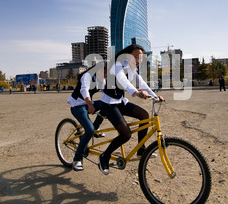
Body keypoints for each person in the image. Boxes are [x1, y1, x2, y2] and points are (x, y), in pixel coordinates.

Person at [98, 44, 164, 175]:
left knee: (144, 115)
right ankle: (104, 156)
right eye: (135, 56)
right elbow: (123, 80)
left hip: (120, 102)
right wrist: (136, 92)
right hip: (108, 103)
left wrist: (154, 96)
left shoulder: (133, 68)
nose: (137, 60)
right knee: (126, 134)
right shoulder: (117, 64)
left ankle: (141, 150)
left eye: (140, 58)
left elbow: (141, 83)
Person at [67, 62, 107, 171]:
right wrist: (90, 105)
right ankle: (77, 159)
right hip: (77, 105)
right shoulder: (87, 76)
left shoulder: (102, 79)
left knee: (107, 104)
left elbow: (106, 94)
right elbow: (84, 90)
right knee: (89, 130)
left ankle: (96, 127)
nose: (106, 75)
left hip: (88, 103)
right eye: (104, 72)